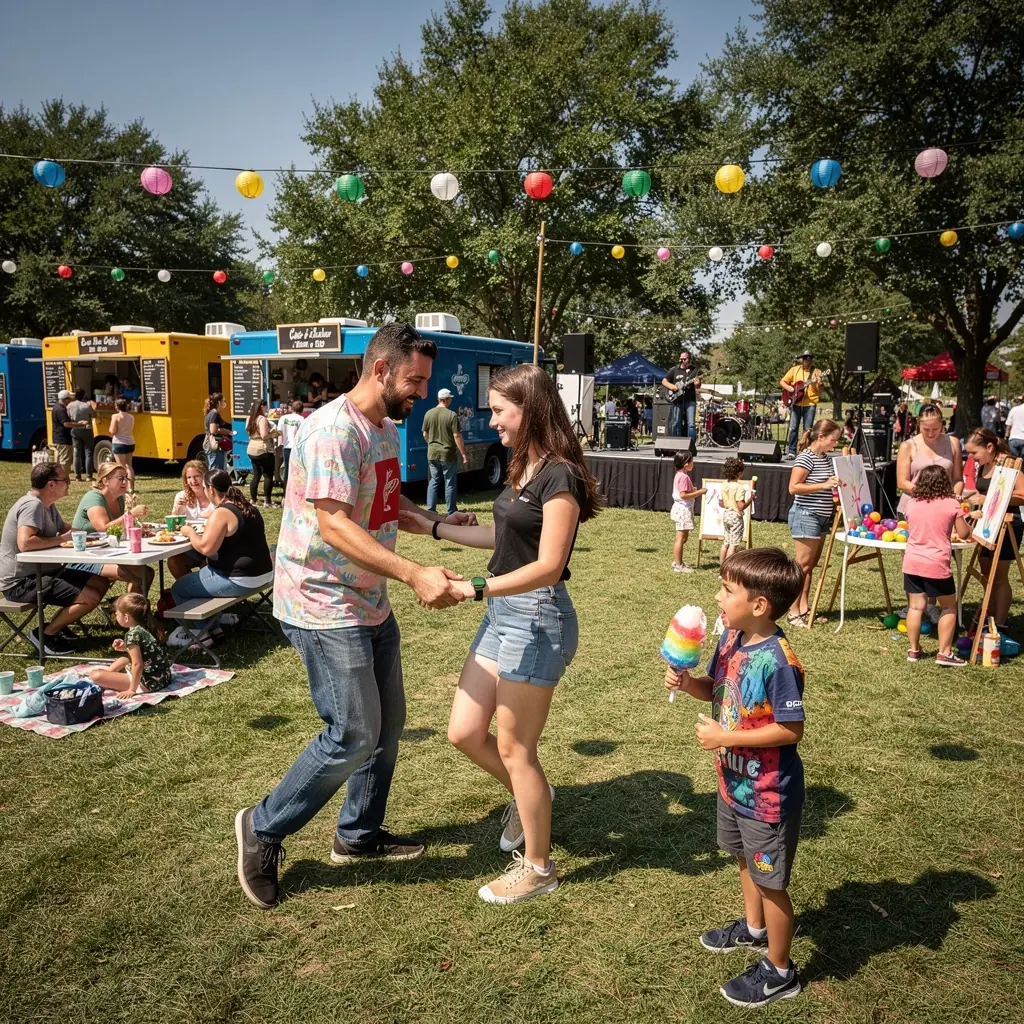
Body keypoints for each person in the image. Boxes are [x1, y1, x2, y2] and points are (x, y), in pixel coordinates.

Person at [234, 322, 478, 910]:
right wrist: (416, 573)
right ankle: (263, 828)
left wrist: (438, 524)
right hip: (320, 603)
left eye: (424, 380)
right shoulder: (331, 432)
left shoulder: (387, 431)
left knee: (386, 726)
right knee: (353, 732)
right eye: (414, 380)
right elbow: (335, 523)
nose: (421, 391)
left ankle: (358, 835)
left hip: (368, 599)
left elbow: (388, 504)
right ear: (380, 370)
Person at [404, 362, 602, 904]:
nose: (491, 421)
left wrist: (472, 589)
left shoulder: (559, 474)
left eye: (498, 410)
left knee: (517, 749)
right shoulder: (525, 465)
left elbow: (547, 564)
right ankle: (529, 795)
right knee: (465, 732)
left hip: (537, 616)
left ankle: (538, 867)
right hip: (504, 615)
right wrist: (435, 527)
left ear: (530, 409)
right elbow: (505, 536)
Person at [664, 547, 806, 1008]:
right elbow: (716, 690)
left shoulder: (779, 660)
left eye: (727, 590)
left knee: (771, 882)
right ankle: (752, 928)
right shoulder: (730, 639)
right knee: (743, 860)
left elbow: (790, 729)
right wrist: (689, 685)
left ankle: (781, 970)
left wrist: (725, 737)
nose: (718, 597)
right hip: (733, 785)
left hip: (767, 796)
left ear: (759, 604)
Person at [0, 462, 107, 656]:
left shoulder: (46, 505)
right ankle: (45, 634)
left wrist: (96, 537)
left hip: (44, 571)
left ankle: (60, 624)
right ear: (51, 484)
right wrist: (61, 539)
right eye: (65, 480)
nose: (68, 483)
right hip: (21, 582)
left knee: (99, 580)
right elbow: (25, 542)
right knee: (90, 597)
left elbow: (64, 528)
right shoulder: (31, 505)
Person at [168, 470, 275, 646]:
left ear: (210, 490)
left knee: (179, 589)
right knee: (200, 578)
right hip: (263, 574)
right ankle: (214, 628)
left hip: (240, 579)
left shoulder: (222, 513)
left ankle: (203, 635)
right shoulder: (245, 505)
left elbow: (206, 548)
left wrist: (190, 532)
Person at [901, 465, 972, 665]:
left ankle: (914, 650)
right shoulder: (951, 504)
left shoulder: (912, 503)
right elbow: (964, 533)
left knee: (915, 607)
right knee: (948, 606)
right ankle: (944, 653)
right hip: (936, 563)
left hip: (912, 561)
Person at [963, 428, 1024, 632]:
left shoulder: (1008, 464)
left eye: (974, 453)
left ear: (989, 447)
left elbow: (1022, 495)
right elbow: (983, 490)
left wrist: (987, 500)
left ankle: (1000, 623)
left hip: (1008, 525)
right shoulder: (984, 465)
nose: (971, 457)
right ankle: (990, 613)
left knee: (1000, 577)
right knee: (987, 574)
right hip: (987, 525)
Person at [785, 419, 842, 628]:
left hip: (822, 517)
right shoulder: (805, 458)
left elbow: (824, 485)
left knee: (810, 567)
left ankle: (804, 608)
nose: (835, 444)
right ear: (821, 437)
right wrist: (825, 485)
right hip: (806, 515)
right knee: (802, 567)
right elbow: (794, 487)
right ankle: (792, 612)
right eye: (833, 440)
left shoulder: (825, 458)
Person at [70, 462, 152, 594]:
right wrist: (130, 514)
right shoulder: (93, 497)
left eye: (126, 477)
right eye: (120, 478)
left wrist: (136, 527)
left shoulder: (118, 500)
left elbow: (116, 531)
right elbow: (104, 529)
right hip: (83, 557)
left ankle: (128, 610)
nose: (125, 481)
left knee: (144, 572)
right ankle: (127, 611)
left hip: (105, 553)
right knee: (144, 574)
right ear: (105, 481)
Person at [87, 593, 172, 698]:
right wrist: (125, 647)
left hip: (149, 682)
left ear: (126, 617)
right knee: (125, 656)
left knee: (96, 676)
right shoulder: (144, 628)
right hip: (163, 677)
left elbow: (138, 664)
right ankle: (110, 671)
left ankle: (111, 675)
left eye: (117, 614)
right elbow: (144, 652)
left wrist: (132, 689)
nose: (115, 616)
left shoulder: (131, 635)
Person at [896, 403, 963, 517]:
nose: (931, 433)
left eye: (935, 429)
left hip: (944, 510)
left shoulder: (953, 443)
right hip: (912, 509)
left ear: (942, 424)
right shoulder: (907, 446)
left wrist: (955, 497)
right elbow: (902, 483)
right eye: (926, 429)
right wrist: (930, 494)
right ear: (919, 424)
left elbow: (957, 479)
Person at [422, 387, 468, 516]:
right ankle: (451, 510)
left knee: (434, 480)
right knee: (449, 482)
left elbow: (425, 434)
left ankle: (431, 510)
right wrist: (463, 453)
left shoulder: (428, 413)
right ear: (447, 400)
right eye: (450, 399)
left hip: (432, 453)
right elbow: (457, 435)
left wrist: (431, 444)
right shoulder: (451, 415)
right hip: (447, 453)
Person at [169, 460, 214, 580]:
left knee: (208, 563)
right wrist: (177, 511)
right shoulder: (181, 496)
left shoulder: (214, 495)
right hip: (190, 545)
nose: (193, 481)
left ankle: (202, 589)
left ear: (205, 476)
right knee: (174, 561)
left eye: (196, 476)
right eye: (189, 477)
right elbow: (173, 527)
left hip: (212, 545)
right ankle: (190, 588)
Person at [779, 351, 823, 461]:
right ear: (802, 360)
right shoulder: (795, 369)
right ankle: (792, 451)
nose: (807, 361)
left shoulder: (817, 372)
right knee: (793, 427)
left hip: (810, 403)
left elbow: (819, 390)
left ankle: (806, 451)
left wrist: (818, 383)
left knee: (807, 429)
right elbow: (782, 382)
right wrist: (791, 389)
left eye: (809, 359)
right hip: (796, 402)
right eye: (805, 359)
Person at [670, 450, 704, 573]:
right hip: (682, 509)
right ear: (686, 464)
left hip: (682, 509)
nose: (693, 463)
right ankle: (678, 564)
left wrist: (693, 490)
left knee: (684, 538)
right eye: (692, 461)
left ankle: (678, 560)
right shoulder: (683, 477)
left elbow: (685, 491)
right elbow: (683, 495)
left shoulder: (680, 475)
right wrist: (699, 492)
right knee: (680, 538)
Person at [245, 400, 280, 508]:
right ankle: (267, 501)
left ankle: (253, 500)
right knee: (268, 475)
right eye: (266, 407)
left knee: (256, 475)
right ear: (262, 407)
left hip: (251, 448)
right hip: (263, 449)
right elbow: (264, 435)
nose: (267, 409)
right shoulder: (262, 419)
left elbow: (248, 431)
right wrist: (274, 434)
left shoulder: (249, 418)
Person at [720, 457, 754, 565]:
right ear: (739, 473)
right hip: (735, 516)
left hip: (726, 515)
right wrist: (750, 500)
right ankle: (727, 568)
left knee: (726, 542)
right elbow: (740, 506)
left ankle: (721, 567)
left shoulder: (724, 484)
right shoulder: (740, 487)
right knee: (733, 544)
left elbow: (721, 503)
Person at [661, 351, 701, 439]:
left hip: (690, 400)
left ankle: (691, 444)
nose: (682, 360)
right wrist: (673, 387)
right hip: (677, 400)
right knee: (675, 422)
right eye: (681, 358)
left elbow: (698, 386)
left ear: (689, 359)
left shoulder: (694, 370)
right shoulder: (674, 369)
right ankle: (676, 442)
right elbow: (664, 381)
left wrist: (697, 383)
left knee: (691, 423)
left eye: (684, 359)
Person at [68, 388, 97, 483]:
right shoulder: (86, 405)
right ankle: (89, 476)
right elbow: (94, 415)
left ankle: (77, 476)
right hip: (87, 429)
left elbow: (68, 416)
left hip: (75, 429)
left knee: (77, 453)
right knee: (88, 453)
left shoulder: (70, 405)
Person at [276, 400, 306, 490]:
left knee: (286, 469)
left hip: (286, 446)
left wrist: (279, 445)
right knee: (297, 469)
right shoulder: (302, 419)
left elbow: (279, 433)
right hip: (296, 448)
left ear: (291, 408)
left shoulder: (283, 418)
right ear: (302, 410)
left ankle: (285, 490)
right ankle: (294, 489)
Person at [50, 390, 80, 477]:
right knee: (65, 461)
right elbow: (66, 424)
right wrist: (80, 424)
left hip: (58, 437)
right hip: (63, 439)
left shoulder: (56, 407)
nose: (71, 401)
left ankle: (58, 478)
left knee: (59, 460)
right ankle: (63, 479)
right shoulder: (61, 409)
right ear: (66, 399)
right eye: (70, 399)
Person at [108, 398, 136, 489]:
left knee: (121, 467)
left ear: (117, 406)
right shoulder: (131, 417)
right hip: (130, 442)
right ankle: (131, 487)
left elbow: (112, 431)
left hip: (119, 442)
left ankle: (122, 487)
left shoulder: (115, 416)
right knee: (129, 466)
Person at [203, 393, 232, 472]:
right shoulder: (214, 414)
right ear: (219, 403)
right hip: (215, 445)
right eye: (224, 401)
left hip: (211, 444)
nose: (225, 403)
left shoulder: (212, 413)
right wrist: (229, 432)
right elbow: (213, 430)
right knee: (216, 470)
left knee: (214, 468)